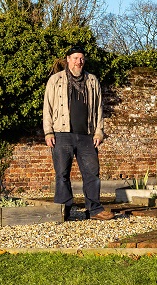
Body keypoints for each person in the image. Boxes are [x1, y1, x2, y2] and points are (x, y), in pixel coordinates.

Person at [43, 46, 114, 221]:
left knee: (92, 173)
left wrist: (99, 132)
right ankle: (63, 210)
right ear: (68, 59)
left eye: (81, 58)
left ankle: (95, 209)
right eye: (75, 58)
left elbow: (98, 108)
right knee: (62, 174)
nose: (78, 62)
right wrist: (48, 132)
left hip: (87, 135)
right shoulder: (55, 80)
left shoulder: (92, 80)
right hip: (62, 133)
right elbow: (48, 107)